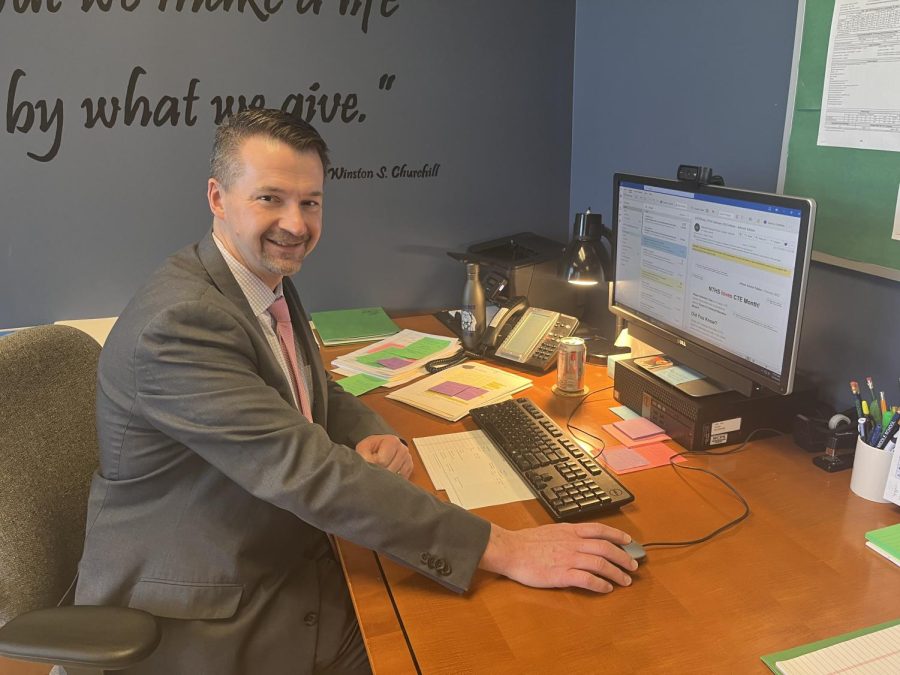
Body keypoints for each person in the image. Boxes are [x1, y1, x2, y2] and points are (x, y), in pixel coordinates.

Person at [74, 108, 638, 674]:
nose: (295, 223)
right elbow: (311, 472)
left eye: (310, 202)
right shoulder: (183, 324)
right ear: (218, 198)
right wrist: (504, 548)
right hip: (204, 604)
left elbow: (313, 391)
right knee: (470, 646)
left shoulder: (256, 278)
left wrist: (376, 435)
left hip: (273, 546)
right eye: (270, 198)